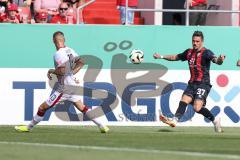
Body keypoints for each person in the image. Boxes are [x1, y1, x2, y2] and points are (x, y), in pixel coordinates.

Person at [15, 31, 109, 133]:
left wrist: (52, 71)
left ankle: (28, 127)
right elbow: (81, 62)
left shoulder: (58, 54)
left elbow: (62, 71)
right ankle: (102, 125)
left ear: (53, 41)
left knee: (42, 108)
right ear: (64, 40)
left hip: (64, 88)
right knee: (82, 107)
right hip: (72, 85)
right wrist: (72, 73)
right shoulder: (70, 50)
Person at [153, 31, 225, 133]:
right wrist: (161, 56)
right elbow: (175, 57)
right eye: (193, 41)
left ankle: (215, 120)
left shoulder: (206, 52)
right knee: (184, 100)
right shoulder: (189, 52)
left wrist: (220, 59)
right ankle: (175, 120)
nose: (195, 43)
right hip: (192, 84)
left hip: (203, 84)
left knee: (197, 108)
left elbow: (216, 60)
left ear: (202, 42)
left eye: (197, 41)